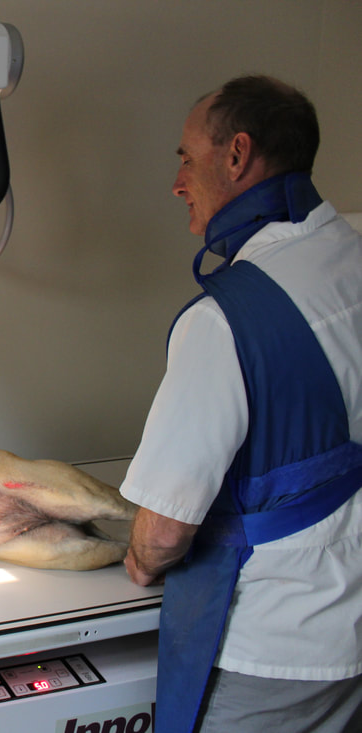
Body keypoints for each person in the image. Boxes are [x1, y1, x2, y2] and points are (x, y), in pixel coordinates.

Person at [121, 75, 362, 733]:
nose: (177, 183)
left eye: (186, 158)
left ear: (237, 156)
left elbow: (163, 533)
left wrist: (139, 558)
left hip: (273, 651)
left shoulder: (226, 320)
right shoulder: (352, 256)